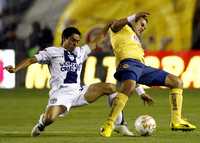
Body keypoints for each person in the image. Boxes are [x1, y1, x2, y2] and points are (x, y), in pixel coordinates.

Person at [4, 26, 150, 137]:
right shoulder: (52, 52)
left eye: (77, 41)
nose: (75, 43)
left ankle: (119, 124)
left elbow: (95, 41)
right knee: (49, 118)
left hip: (79, 91)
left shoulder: (80, 52)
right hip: (60, 94)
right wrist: (16, 69)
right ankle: (42, 123)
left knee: (111, 88)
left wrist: (108, 27)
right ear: (64, 39)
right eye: (72, 40)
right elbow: (31, 59)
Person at [99, 12, 196, 137]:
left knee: (176, 82)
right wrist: (134, 16)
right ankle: (109, 124)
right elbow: (114, 24)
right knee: (129, 86)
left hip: (141, 67)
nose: (143, 28)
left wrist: (142, 93)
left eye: (145, 26)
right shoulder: (121, 28)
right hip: (127, 63)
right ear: (134, 21)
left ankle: (176, 121)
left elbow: (135, 75)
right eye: (142, 24)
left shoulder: (135, 38)